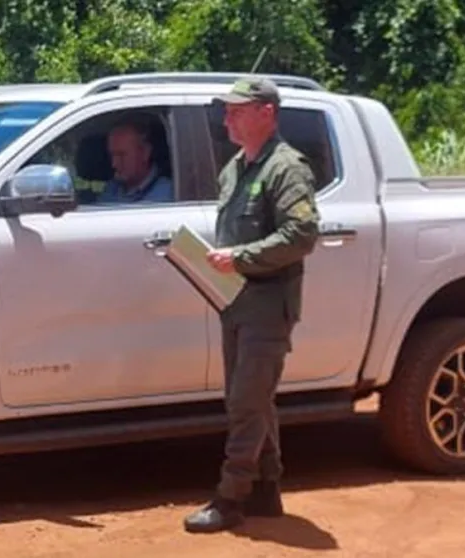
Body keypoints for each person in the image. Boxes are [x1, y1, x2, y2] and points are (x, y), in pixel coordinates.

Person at [182, 76, 321, 534]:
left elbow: (301, 234)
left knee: (246, 401)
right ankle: (266, 488)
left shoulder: (286, 168)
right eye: (226, 111)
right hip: (235, 300)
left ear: (267, 113)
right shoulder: (236, 168)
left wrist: (239, 257)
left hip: (267, 301)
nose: (227, 119)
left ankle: (231, 498)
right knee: (252, 399)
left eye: (237, 110)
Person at [97, 121, 174, 203]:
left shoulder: (167, 194)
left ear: (145, 152)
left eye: (121, 155)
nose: (114, 164)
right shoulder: (111, 189)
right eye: (112, 155)